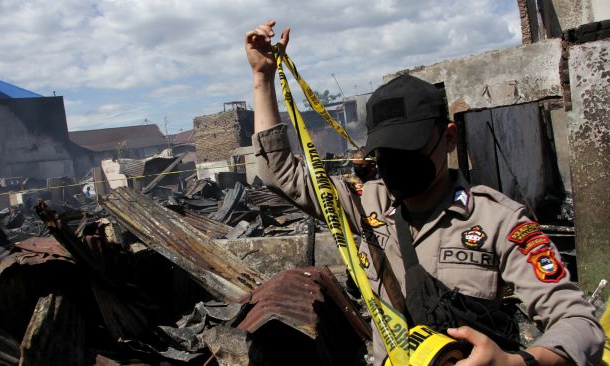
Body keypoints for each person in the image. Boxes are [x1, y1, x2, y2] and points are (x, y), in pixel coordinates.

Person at [245, 20, 604, 366]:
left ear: (448, 138)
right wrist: (262, 78)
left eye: (410, 149)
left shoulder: (497, 220)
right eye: (386, 153)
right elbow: (280, 172)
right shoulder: (366, 204)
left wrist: (518, 361)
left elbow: (579, 323)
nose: (395, 164)